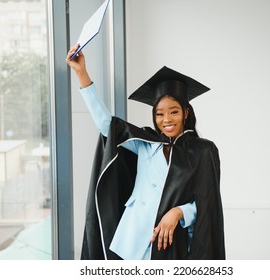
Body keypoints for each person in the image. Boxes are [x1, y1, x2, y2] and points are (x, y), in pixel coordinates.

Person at [66, 45, 225, 260]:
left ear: (186, 112)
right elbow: (106, 125)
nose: (166, 120)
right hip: (133, 240)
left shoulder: (203, 151)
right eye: (160, 114)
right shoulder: (145, 142)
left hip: (172, 243)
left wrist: (179, 212)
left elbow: (207, 204)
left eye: (174, 112)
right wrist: (81, 73)